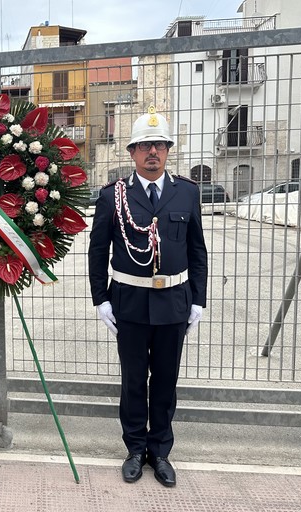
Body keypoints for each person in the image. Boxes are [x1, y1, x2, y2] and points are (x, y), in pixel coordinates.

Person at [88, 106, 208, 488]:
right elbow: (97, 251)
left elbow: (197, 251)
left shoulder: (186, 193)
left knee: (166, 382)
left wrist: (199, 300)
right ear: (132, 152)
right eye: (144, 146)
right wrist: (101, 299)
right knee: (134, 381)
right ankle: (135, 449)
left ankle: (161, 452)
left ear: (168, 149)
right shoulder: (112, 196)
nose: (152, 152)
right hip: (131, 304)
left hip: (174, 302)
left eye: (158, 144)